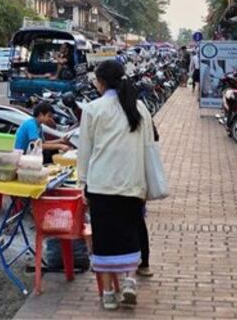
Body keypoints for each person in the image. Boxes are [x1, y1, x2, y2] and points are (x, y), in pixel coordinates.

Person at [78, 60, 154, 311]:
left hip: (101, 185)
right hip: (132, 184)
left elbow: (85, 152)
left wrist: (83, 183)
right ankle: (130, 281)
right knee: (130, 233)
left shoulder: (93, 109)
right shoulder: (140, 108)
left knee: (104, 239)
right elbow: (148, 147)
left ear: (100, 82)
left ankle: (109, 294)